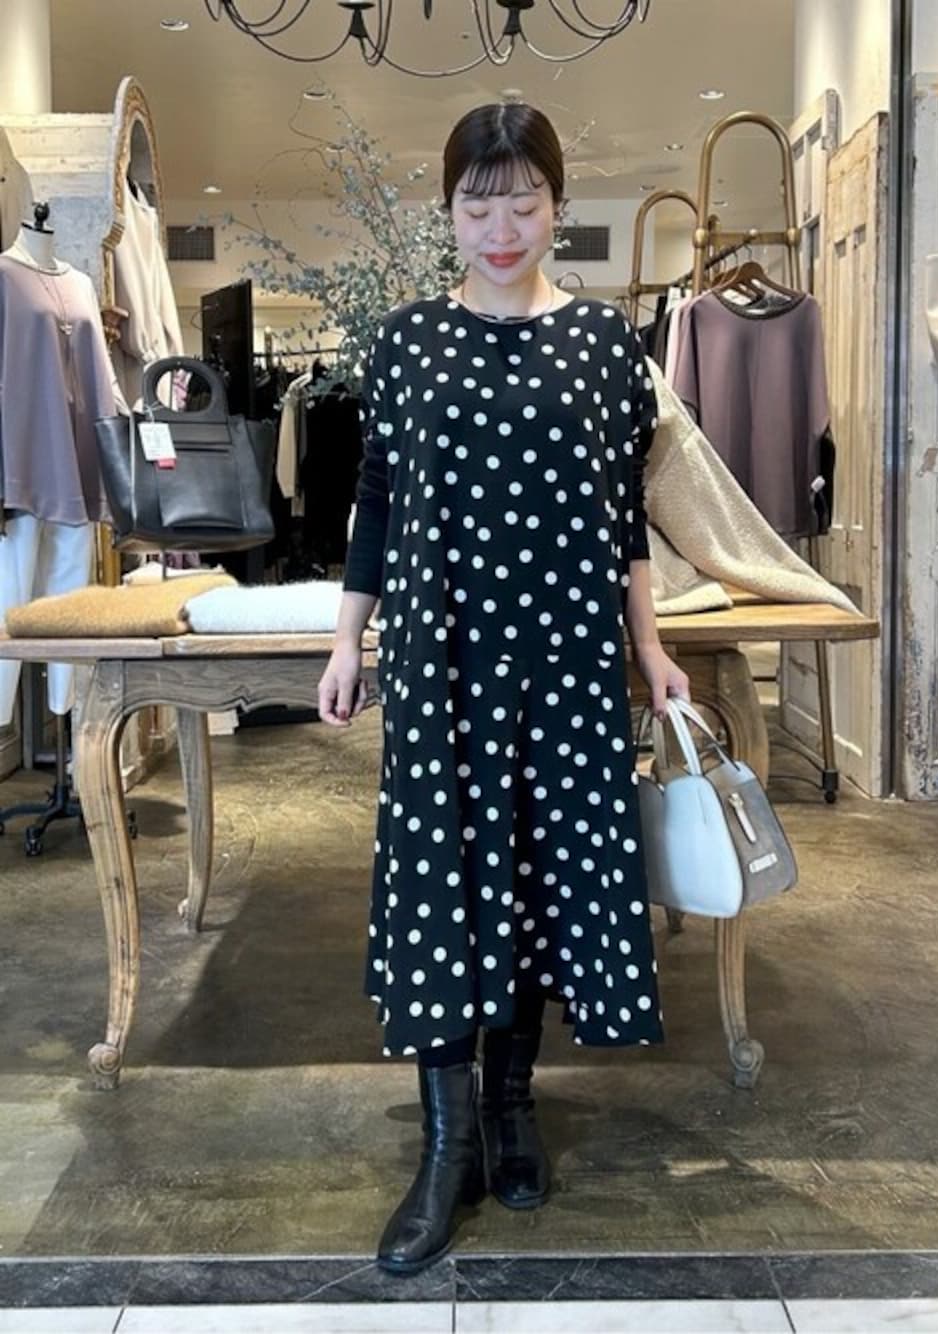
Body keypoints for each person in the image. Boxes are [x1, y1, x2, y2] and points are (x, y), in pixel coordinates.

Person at [318, 102, 690, 1275]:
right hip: (443, 661)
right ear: (448, 213)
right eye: (478, 207)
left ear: (556, 209)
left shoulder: (604, 343)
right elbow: (377, 502)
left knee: (534, 874)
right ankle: (448, 1147)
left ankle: (513, 1102)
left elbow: (622, 519)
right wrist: (346, 640)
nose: (501, 228)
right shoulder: (407, 342)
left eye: (522, 204)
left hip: (567, 659)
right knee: (445, 879)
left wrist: (649, 646)